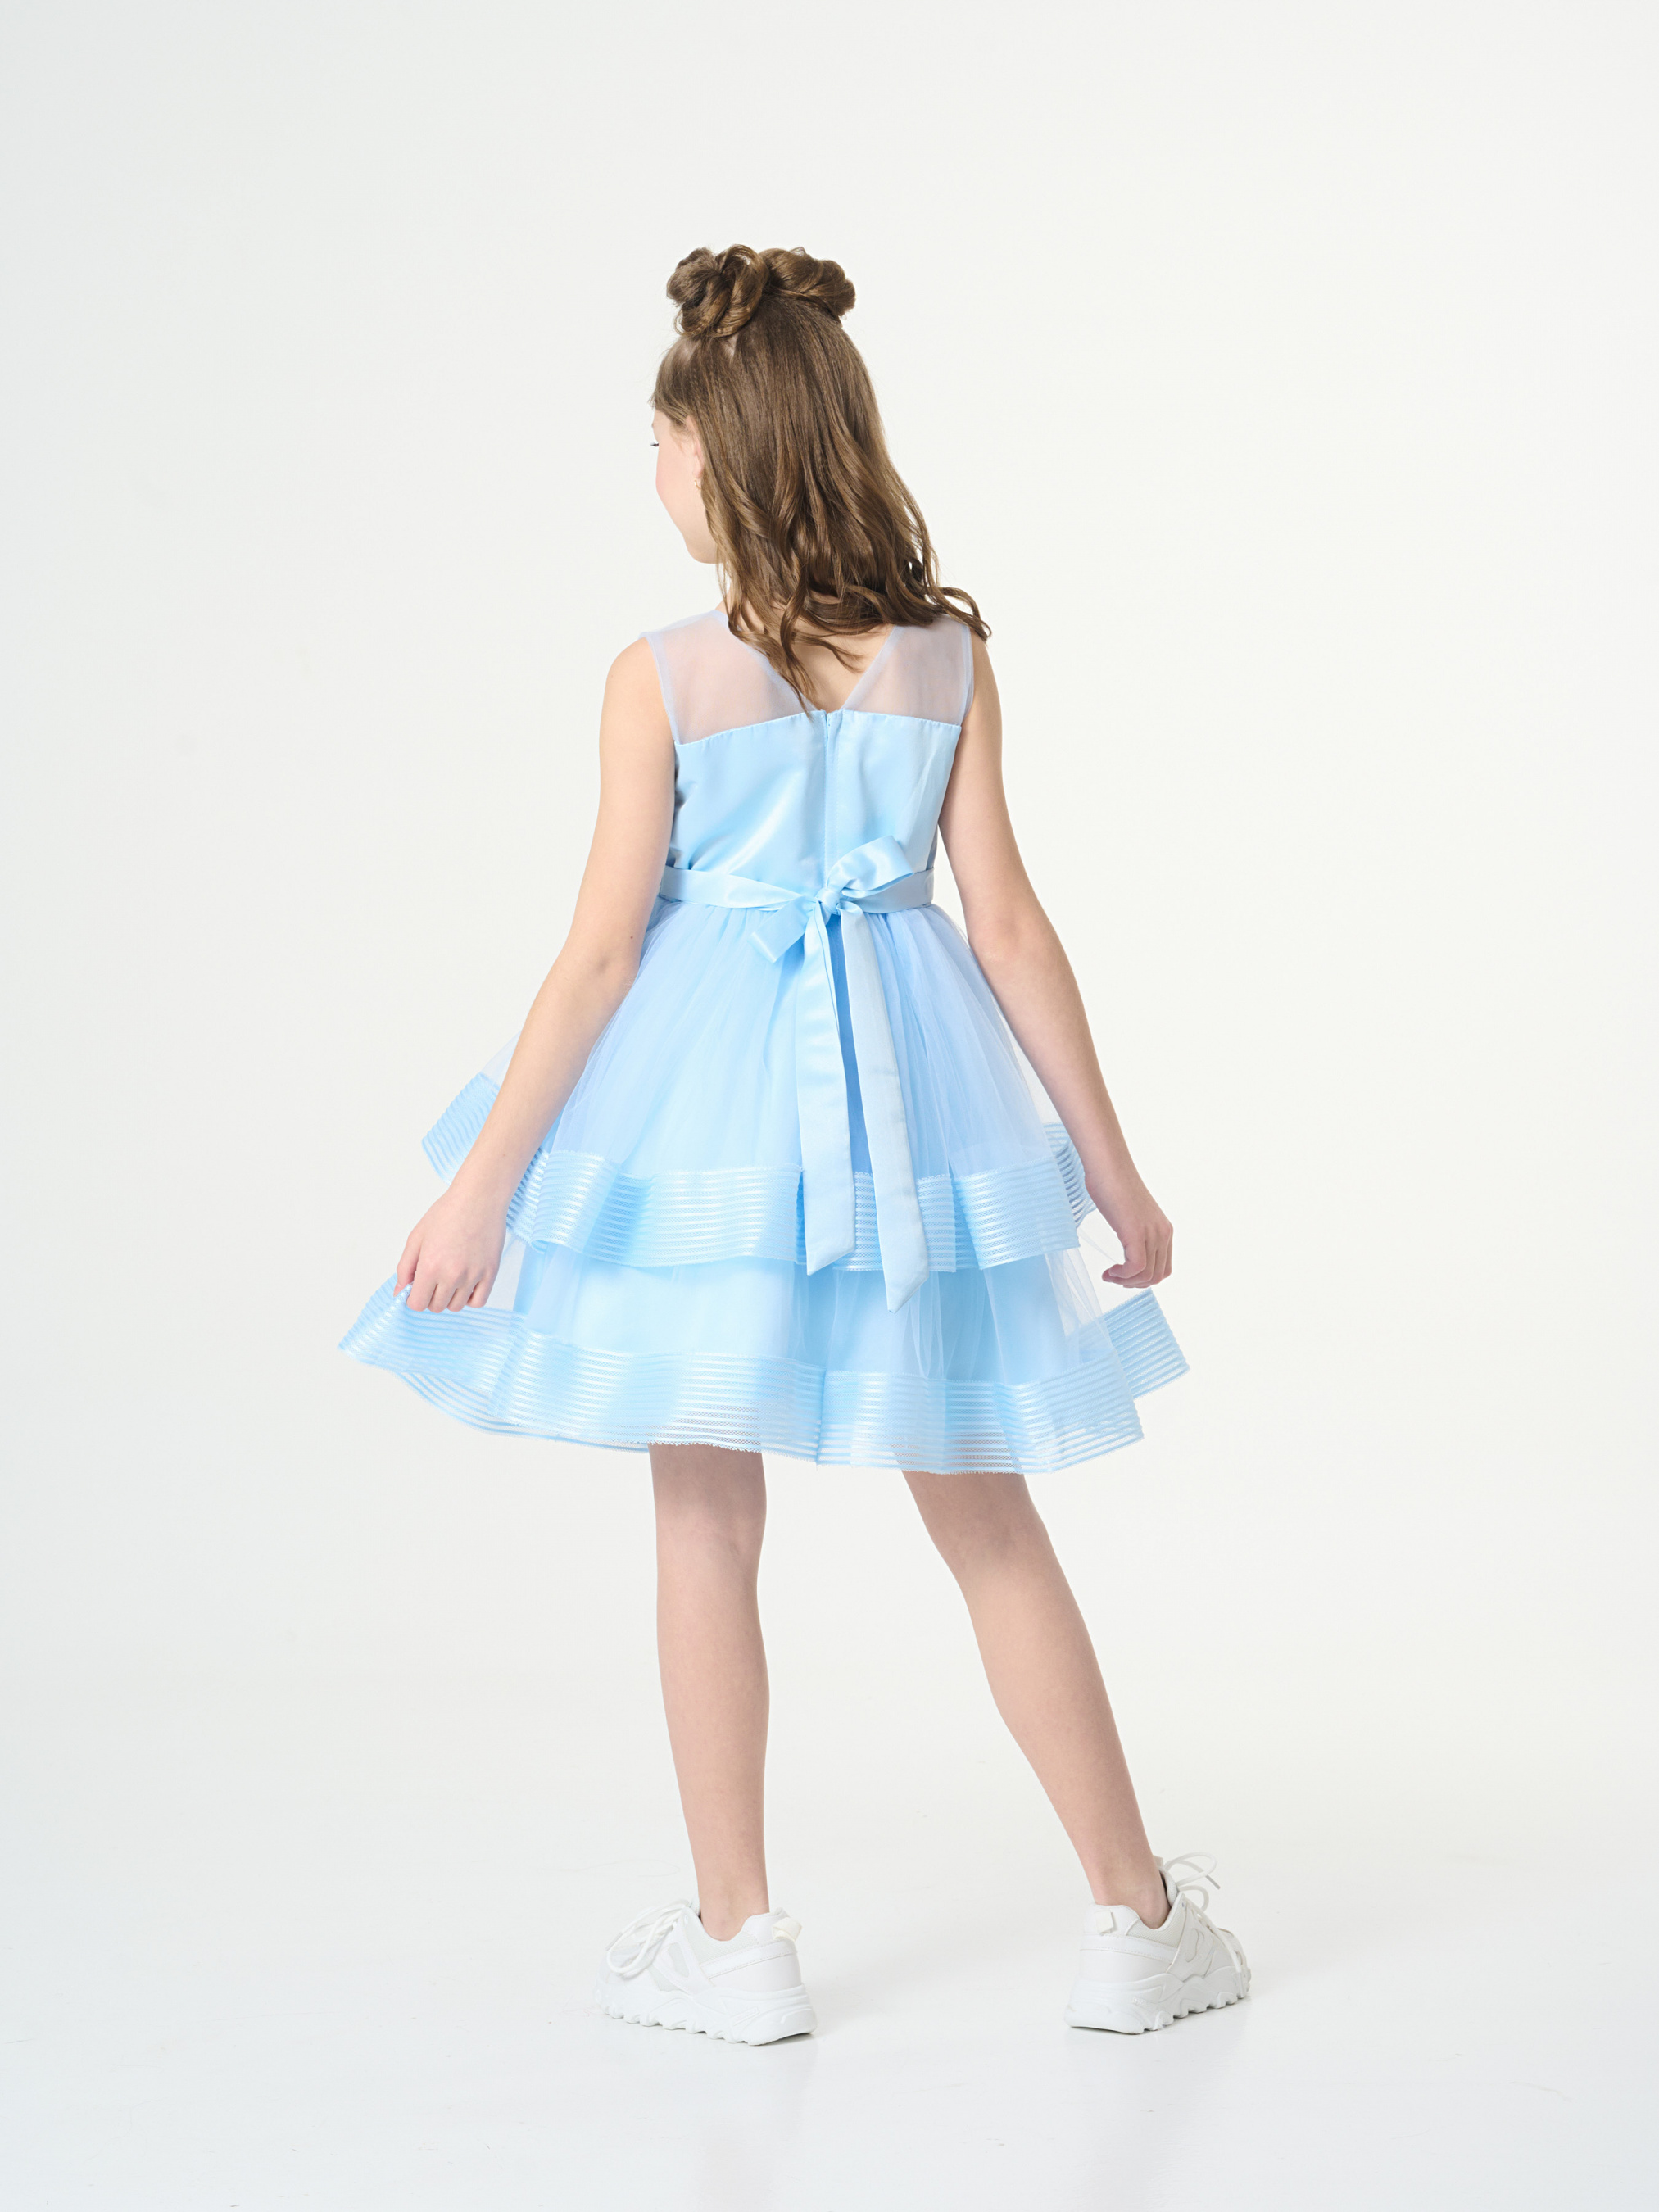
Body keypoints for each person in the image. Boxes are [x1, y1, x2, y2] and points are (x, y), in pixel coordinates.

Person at [340, 243, 1248, 2043]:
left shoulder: (661, 676)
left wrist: (481, 1190)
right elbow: (1007, 933)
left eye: (662, 442)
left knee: (702, 1511)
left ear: (726, 455)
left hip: (702, 1122)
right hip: (912, 1116)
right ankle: (1134, 1923)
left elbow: (602, 958)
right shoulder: (946, 663)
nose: (652, 474)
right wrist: (1108, 1167)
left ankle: (737, 1943)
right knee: (985, 1515)